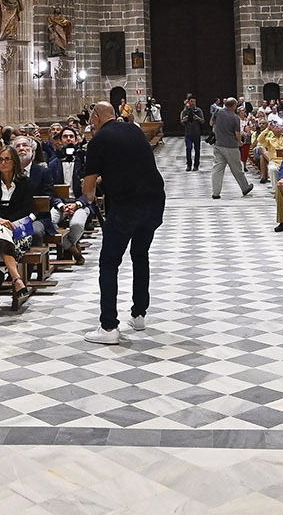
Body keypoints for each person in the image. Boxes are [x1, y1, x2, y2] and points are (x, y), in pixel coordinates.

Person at [82, 102, 166, 344]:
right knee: (140, 254)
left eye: (91, 120)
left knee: (109, 262)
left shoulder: (97, 141)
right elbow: (130, 165)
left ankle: (108, 327)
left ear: (96, 117)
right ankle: (139, 315)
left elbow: (88, 191)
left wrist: (92, 192)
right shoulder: (134, 130)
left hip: (126, 207)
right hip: (154, 202)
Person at [0, 146, 36, 318]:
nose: (3, 163)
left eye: (7, 159)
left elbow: (27, 209)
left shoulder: (25, 183)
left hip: (18, 232)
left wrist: (7, 223)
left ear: (14, 162)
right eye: (0, 160)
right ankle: (16, 278)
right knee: (0, 236)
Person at [46, 125, 92, 260]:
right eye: (65, 137)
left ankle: (68, 245)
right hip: (59, 204)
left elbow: (90, 189)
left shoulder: (84, 162)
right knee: (48, 222)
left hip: (80, 203)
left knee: (76, 224)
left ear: (76, 140)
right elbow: (50, 190)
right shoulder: (53, 164)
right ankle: (74, 250)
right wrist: (61, 206)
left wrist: (77, 204)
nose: (69, 139)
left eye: (71, 136)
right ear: (60, 141)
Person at [210, 97, 254, 199]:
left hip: (218, 144)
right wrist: (240, 142)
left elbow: (211, 123)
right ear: (234, 106)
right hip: (231, 146)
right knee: (237, 169)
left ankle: (216, 192)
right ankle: (245, 187)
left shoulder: (218, 112)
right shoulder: (235, 118)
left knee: (218, 168)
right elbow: (237, 133)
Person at [179, 94, 207, 171]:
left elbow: (203, 121)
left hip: (196, 133)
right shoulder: (185, 111)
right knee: (188, 148)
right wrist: (184, 120)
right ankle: (189, 164)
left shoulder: (198, 111)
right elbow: (181, 122)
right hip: (188, 133)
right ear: (189, 102)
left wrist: (198, 118)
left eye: (194, 101)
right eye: (191, 101)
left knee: (197, 149)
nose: (193, 103)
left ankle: (196, 165)